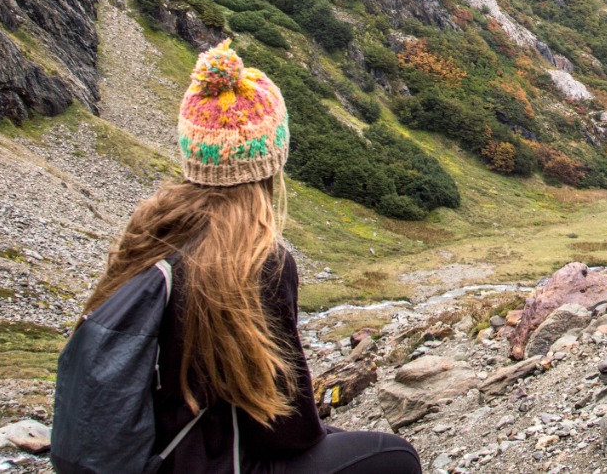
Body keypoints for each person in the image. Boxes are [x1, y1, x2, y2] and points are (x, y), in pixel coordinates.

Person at [79, 40, 421, 474]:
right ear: (273, 155)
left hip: (143, 455)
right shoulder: (260, 262)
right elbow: (287, 429)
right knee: (395, 457)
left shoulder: (149, 235)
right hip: (205, 462)